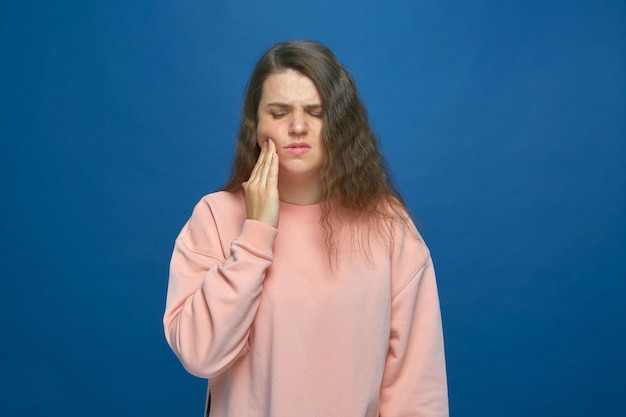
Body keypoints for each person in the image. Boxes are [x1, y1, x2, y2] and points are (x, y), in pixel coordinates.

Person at [163, 40, 448, 417]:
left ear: (340, 123)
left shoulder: (389, 227)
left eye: (315, 112)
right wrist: (256, 234)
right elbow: (200, 356)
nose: (298, 127)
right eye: (280, 112)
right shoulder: (214, 218)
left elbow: (415, 390)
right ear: (256, 125)